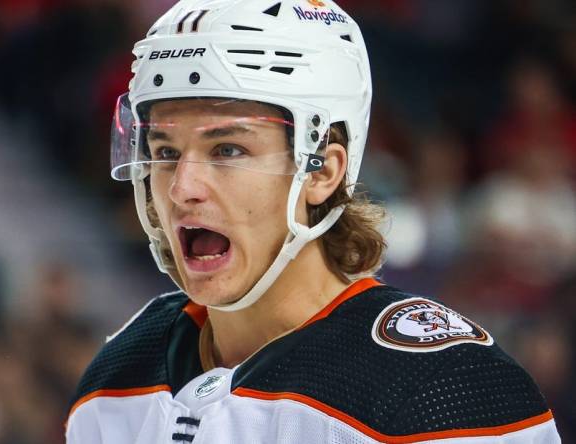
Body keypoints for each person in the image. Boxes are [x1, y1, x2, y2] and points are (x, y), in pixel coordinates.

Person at [66, 0, 562, 442]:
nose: (182, 187)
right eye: (166, 151)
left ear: (322, 171)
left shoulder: (443, 391)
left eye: (228, 149)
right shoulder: (116, 379)